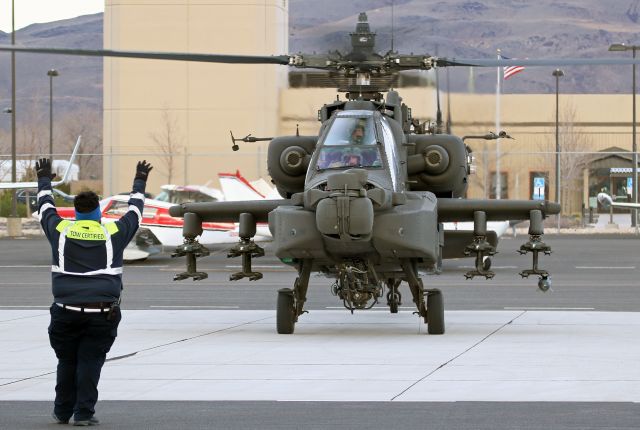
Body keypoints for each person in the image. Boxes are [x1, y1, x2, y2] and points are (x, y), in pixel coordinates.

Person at [37, 158, 152, 426]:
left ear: (75, 211)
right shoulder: (113, 232)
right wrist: (139, 180)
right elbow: (136, 211)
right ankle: (83, 414)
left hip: (65, 312)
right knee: (90, 362)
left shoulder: (61, 230)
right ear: (98, 210)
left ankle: (62, 411)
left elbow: (45, 206)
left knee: (67, 361)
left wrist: (44, 178)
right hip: (101, 313)